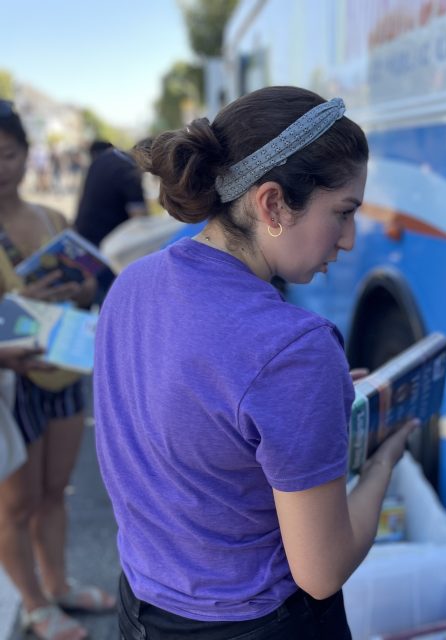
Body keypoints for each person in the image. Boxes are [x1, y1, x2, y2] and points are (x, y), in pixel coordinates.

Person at [94, 86, 415, 639]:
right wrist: (385, 461)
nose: (348, 239)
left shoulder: (134, 282)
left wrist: (314, 404)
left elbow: (197, 419)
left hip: (141, 606)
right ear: (270, 204)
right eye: (342, 213)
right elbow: (322, 570)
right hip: (254, 623)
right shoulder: (294, 349)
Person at [0, 100, 113, 640]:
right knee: (15, 505)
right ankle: (34, 603)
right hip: (8, 385)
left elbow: (90, 284)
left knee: (55, 491)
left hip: (62, 370)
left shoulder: (52, 218)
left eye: (8, 154)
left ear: (26, 156)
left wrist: (81, 288)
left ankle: (58, 585)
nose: (1, 168)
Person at [73, 140, 147, 247]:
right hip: (104, 243)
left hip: (82, 235)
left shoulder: (105, 157)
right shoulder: (131, 171)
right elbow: (140, 222)